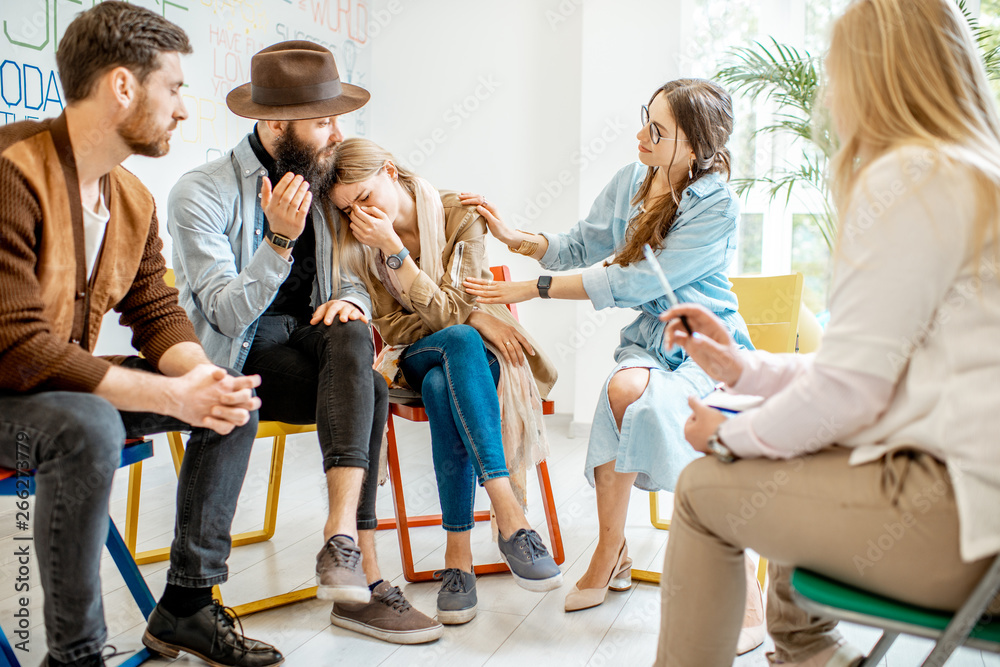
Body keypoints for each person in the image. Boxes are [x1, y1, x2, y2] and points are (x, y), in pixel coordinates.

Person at [653, 1, 1000, 665]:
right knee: (784, 446)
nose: (829, 96)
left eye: (836, 74)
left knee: (700, 489)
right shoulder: (973, 173)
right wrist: (742, 370)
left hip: (964, 534)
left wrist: (724, 433)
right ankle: (812, 651)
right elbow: (876, 373)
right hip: (979, 520)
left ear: (875, 75)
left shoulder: (908, 176)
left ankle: (808, 647)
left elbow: (850, 394)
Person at [0, 4, 283, 666]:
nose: (183, 109)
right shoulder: (12, 170)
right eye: (175, 87)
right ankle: (74, 654)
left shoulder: (131, 197)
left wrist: (196, 379)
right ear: (123, 86)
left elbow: (156, 310)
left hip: (51, 388)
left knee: (228, 401)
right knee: (90, 423)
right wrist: (169, 395)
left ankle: (185, 604)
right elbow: (17, 347)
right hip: (12, 394)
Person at [463, 78, 764, 650]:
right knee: (621, 390)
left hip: (707, 343)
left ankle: (740, 581)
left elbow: (635, 281)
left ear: (695, 146)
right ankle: (611, 548)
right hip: (651, 341)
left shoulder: (717, 204)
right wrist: (514, 237)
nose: (640, 136)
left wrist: (535, 289)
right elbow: (584, 242)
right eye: (643, 120)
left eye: (657, 130)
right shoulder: (635, 179)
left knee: (681, 418)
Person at [167, 42, 441, 644]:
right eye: (323, 121)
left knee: (353, 346)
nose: (336, 132)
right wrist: (279, 243)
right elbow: (224, 312)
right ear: (273, 124)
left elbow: (351, 281)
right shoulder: (200, 192)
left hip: (313, 347)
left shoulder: (324, 181)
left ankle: (338, 542)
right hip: (242, 353)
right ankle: (361, 585)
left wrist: (355, 302)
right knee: (352, 383)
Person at [328, 137, 563, 624]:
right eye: (347, 209)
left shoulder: (460, 214)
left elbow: (459, 304)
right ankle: (510, 516)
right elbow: (396, 328)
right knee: (455, 337)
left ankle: (458, 559)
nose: (360, 216)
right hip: (413, 355)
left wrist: (404, 263)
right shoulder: (357, 242)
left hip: (483, 358)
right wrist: (464, 313)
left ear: (390, 171)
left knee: (442, 383)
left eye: (365, 197)